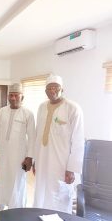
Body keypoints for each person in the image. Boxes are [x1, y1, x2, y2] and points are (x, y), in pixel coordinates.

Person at [33, 74, 85, 213]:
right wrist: (35, 160)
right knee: (41, 191)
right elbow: (38, 135)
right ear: (45, 91)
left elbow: (78, 141)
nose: (52, 91)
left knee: (59, 196)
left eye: (56, 88)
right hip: (42, 160)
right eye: (49, 88)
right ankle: (40, 215)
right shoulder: (41, 107)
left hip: (62, 163)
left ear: (62, 89)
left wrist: (72, 168)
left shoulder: (73, 108)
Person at [0, 83, 35, 211]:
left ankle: (15, 210)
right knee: (0, 179)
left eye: (16, 95)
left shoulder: (28, 114)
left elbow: (32, 137)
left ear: (22, 97)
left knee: (16, 181)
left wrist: (29, 157)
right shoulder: (1, 111)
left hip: (18, 156)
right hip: (1, 153)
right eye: (11, 95)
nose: (13, 98)